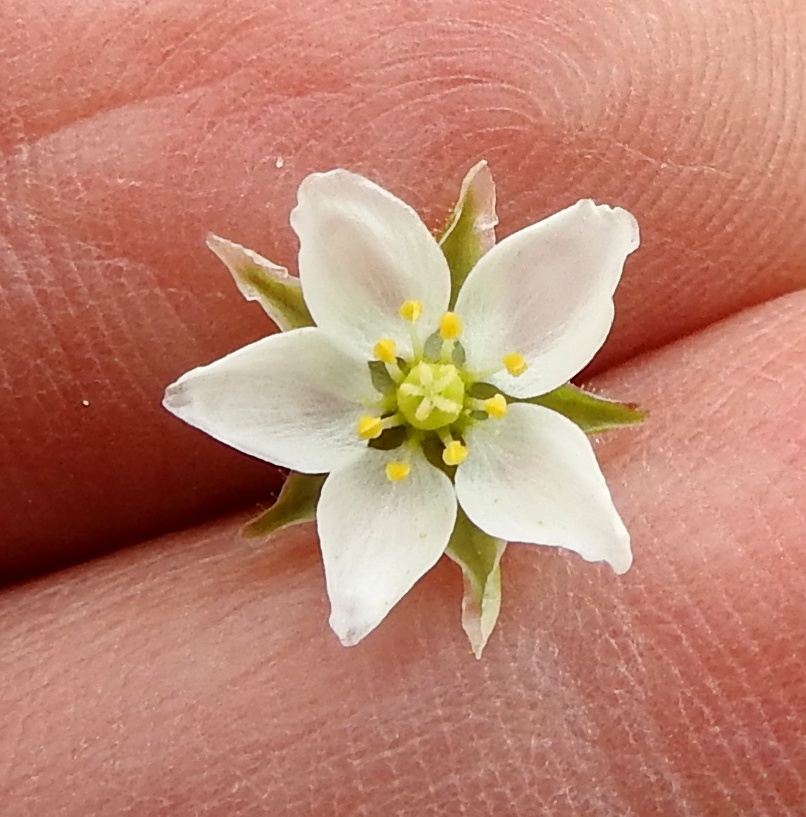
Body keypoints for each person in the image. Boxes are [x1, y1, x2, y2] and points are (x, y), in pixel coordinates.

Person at [1, 1, 804, 813]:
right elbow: (232, 388)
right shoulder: (335, 375)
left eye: (435, 388)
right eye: (425, 386)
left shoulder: (524, 409)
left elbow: (583, 266)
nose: (430, 393)